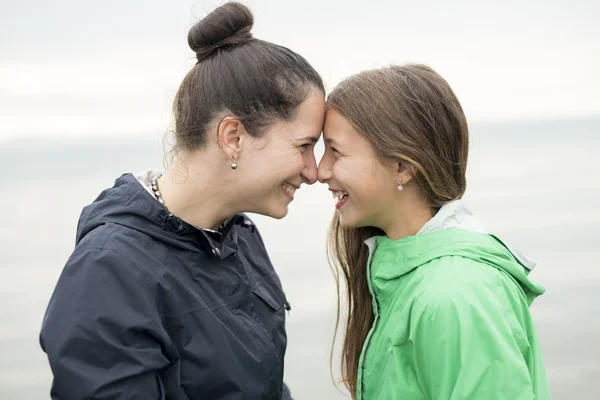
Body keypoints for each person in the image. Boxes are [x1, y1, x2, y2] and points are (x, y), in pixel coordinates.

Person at [39, 2, 325, 399]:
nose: (314, 172)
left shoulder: (240, 238)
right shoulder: (110, 270)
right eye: (304, 145)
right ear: (233, 137)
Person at [318, 64, 551, 399]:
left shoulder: (454, 295)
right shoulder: (405, 275)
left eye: (335, 151)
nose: (320, 170)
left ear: (403, 167)